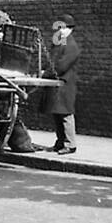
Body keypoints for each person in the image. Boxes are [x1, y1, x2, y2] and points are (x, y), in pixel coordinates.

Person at [39, 16, 80, 154]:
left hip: (65, 84)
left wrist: (45, 73)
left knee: (66, 114)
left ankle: (70, 144)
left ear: (70, 29)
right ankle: (60, 142)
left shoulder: (71, 46)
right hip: (58, 84)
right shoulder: (60, 43)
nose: (60, 31)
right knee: (57, 114)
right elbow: (52, 60)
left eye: (63, 28)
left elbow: (61, 66)